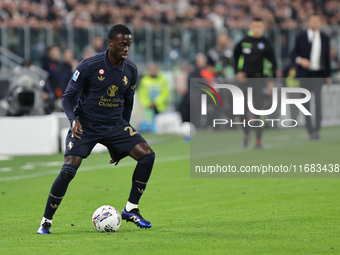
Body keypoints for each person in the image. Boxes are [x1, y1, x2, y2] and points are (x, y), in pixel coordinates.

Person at [37, 24, 155, 234]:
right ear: (110, 43)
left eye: (129, 44)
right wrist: (73, 120)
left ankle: (131, 209)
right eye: (122, 44)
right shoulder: (89, 65)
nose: (126, 48)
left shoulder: (131, 69)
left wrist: (122, 140)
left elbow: (128, 102)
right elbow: (67, 98)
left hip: (115, 125)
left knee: (147, 155)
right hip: (86, 124)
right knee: (68, 170)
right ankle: (46, 221)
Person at [233, 17, 277, 149]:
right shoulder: (244, 42)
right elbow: (235, 57)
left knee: (257, 111)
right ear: (251, 27)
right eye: (255, 26)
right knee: (240, 110)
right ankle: (247, 133)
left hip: (259, 81)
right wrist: (237, 72)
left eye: (259, 27)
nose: (257, 29)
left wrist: (271, 81)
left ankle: (258, 140)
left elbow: (273, 63)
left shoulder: (266, 43)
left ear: (263, 28)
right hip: (244, 81)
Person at [290, 13, 331, 140]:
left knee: (318, 101)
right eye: (312, 21)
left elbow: (326, 58)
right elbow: (292, 54)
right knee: (305, 103)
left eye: (317, 21)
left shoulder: (324, 38)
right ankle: (310, 129)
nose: (315, 23)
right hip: (305, 74)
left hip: (318, 74)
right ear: (308, 22)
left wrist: (328, 75)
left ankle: (317, 128)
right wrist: (300, 60)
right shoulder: (301, 37)